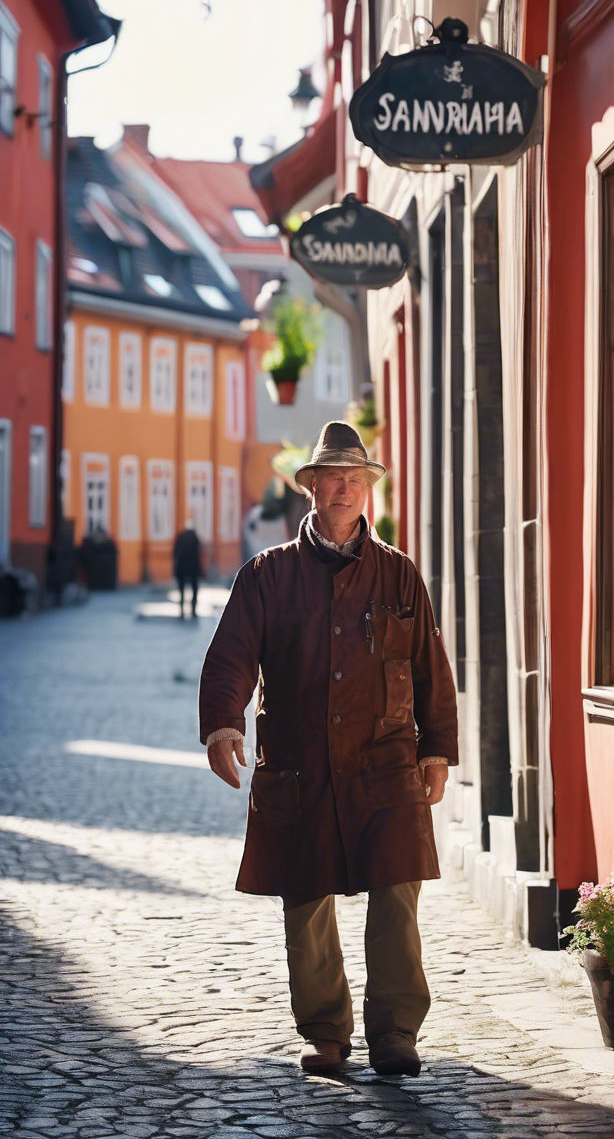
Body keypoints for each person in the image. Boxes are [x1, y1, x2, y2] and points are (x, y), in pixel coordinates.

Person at [199, 421, 458, 1077]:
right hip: (300, 765)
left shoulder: (399, 575)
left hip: (386, 763)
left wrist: (438, 750)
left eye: (355, 479)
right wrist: (223, 724)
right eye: (331, 478)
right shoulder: (268, 575)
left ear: (367, 489)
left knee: (396, 896)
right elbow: (232, 655)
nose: (343, 489)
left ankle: (396, 1032)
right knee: (306, 901)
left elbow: (430, 666)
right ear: (310, 488)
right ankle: (327, 1034)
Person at [173, 519, 201, 620]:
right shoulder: (195, 538)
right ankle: (193, 610)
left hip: (181, 567)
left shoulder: (180, 537)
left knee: (181, 590)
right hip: (193, 568)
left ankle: (181, 610)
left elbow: (175, 553)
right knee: (194, 589)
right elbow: (199, 554)